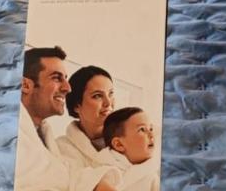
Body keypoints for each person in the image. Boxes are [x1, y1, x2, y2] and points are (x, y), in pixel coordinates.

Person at [16, 46, 120, 191]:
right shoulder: (8, 133)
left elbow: (66, 175)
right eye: (56, 78)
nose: (67, 88)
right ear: (25, 85)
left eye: (111, 94)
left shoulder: (43, 136)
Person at [57, 65, 115, 168]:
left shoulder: (130, 141)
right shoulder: (59, 149)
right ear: (76, 106)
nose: (108, 103)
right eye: (97, 96)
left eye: (110, 94)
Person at [96, 107, 160, 191]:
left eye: (151, 129)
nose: (151, 134)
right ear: (119, 144)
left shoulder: (153, 175)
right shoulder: (102, 172)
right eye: (142, 129)